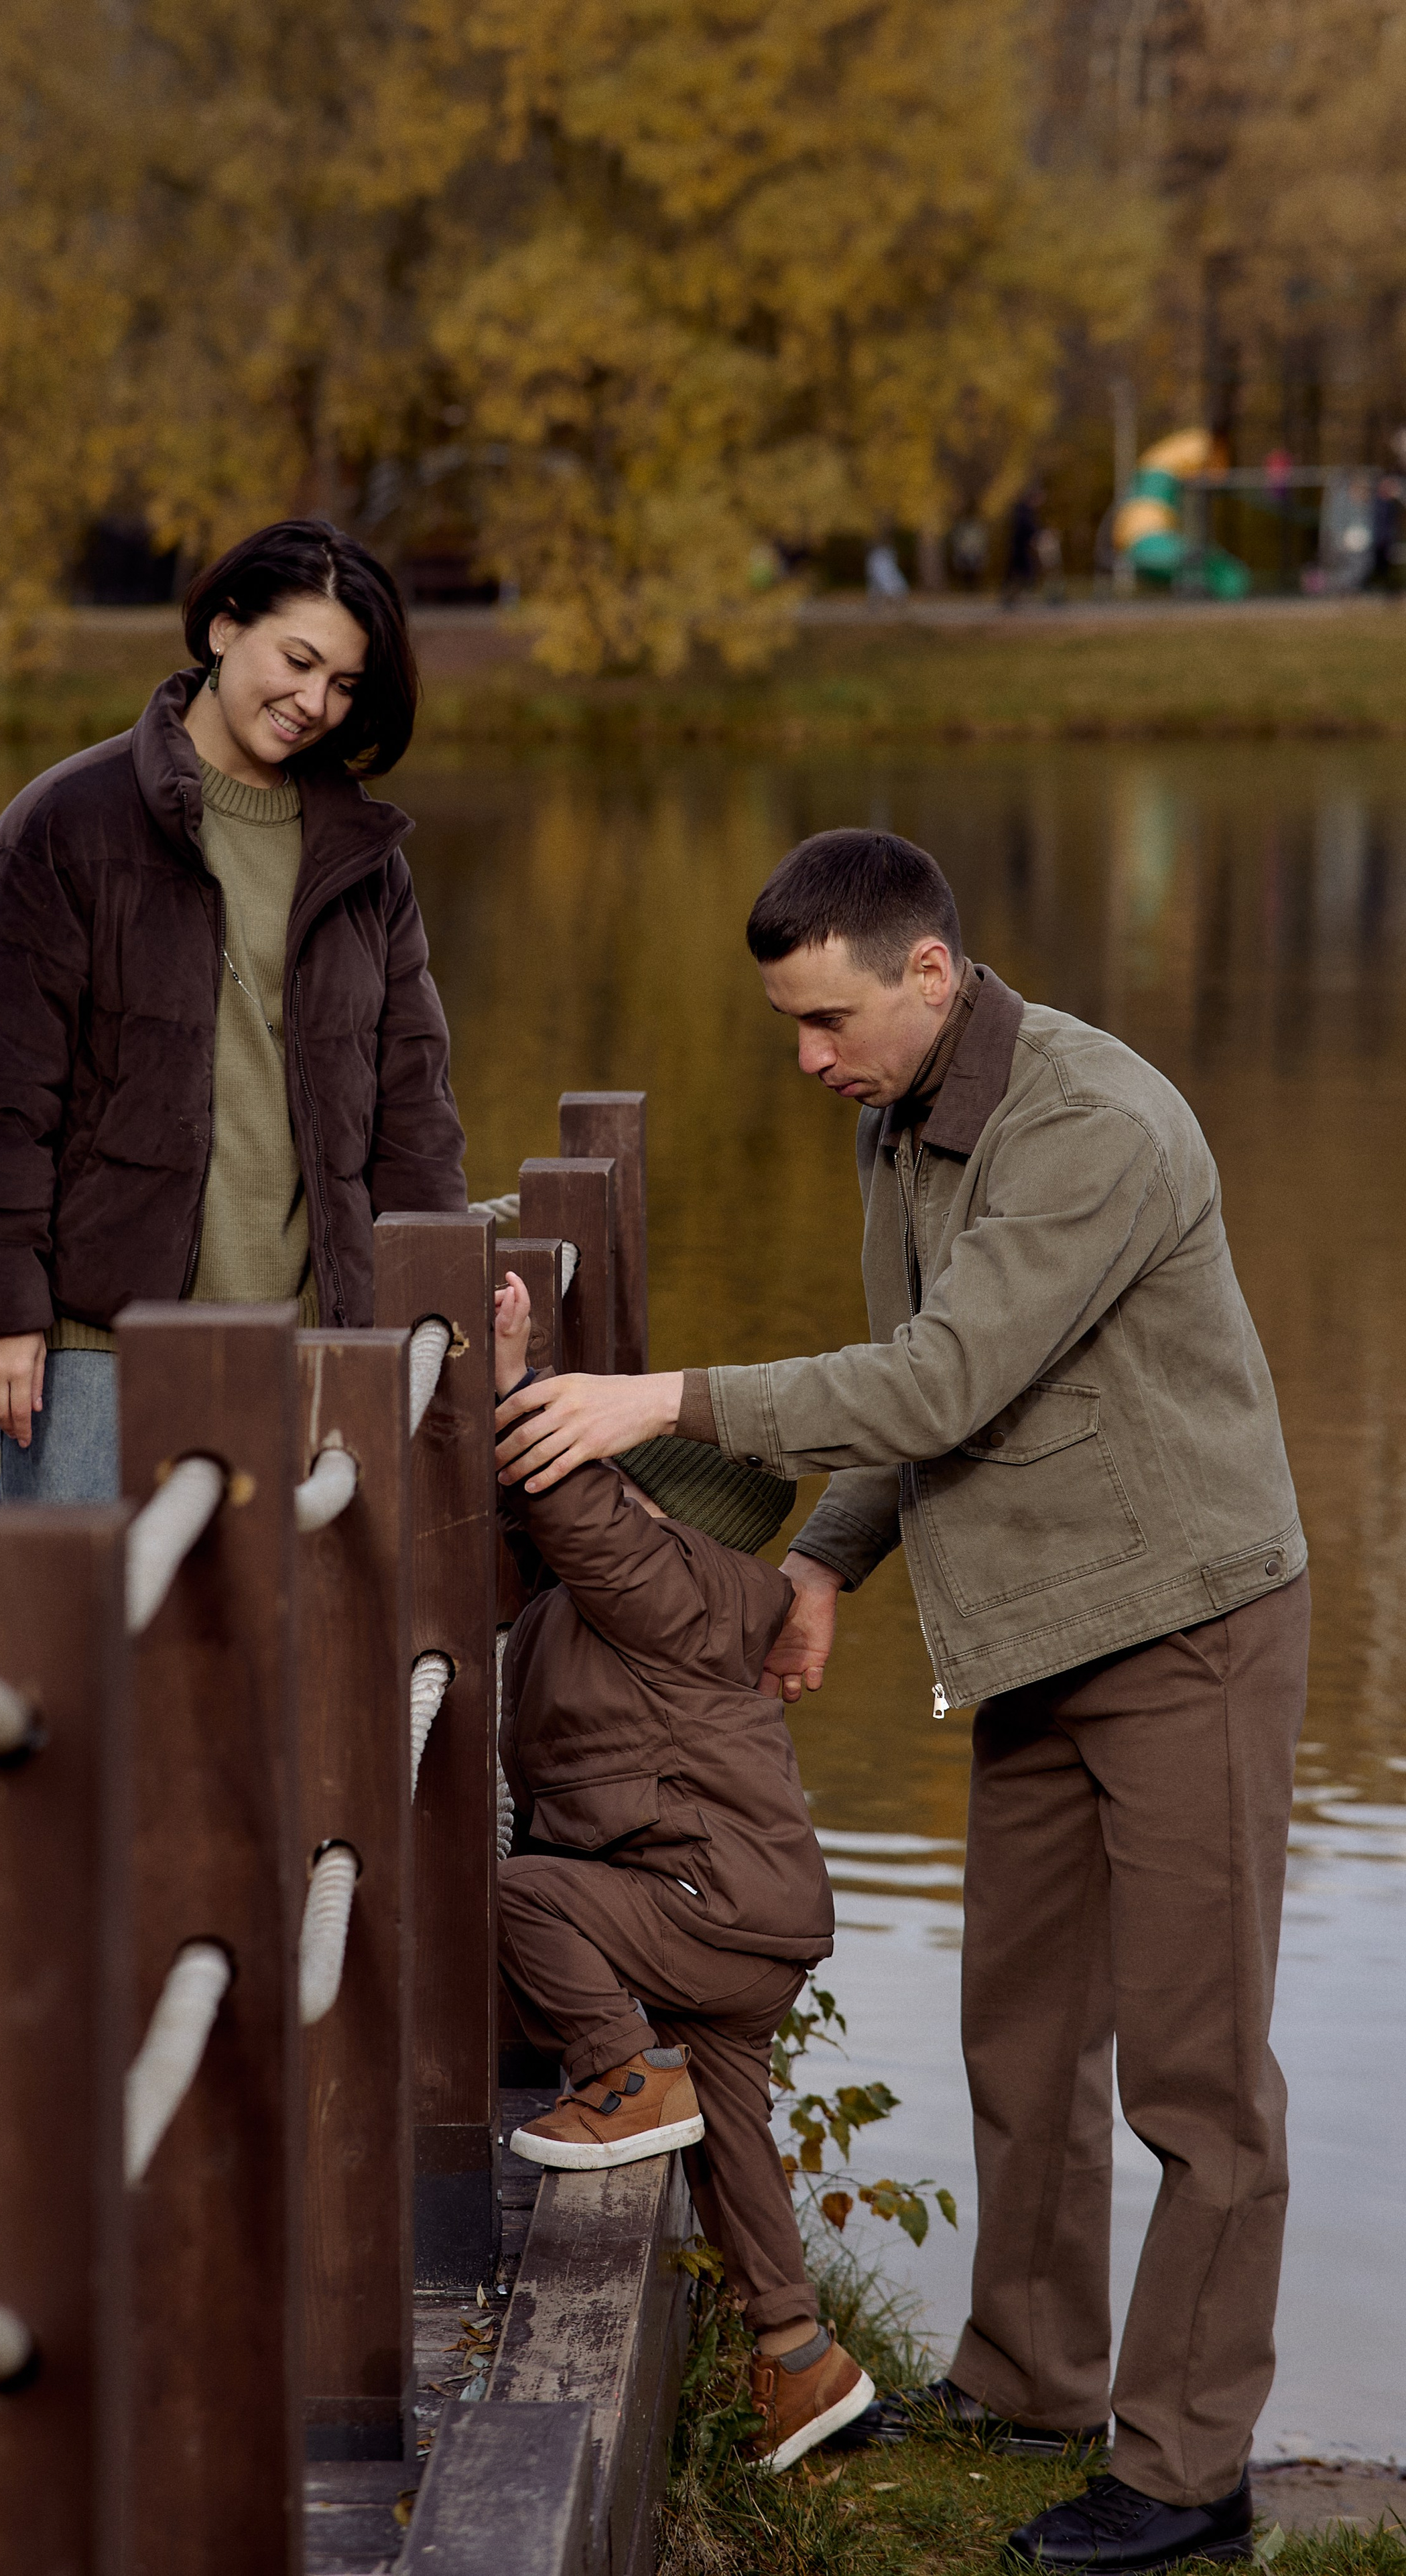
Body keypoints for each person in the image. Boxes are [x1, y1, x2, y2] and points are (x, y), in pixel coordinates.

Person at [493, 830, 1308, 2572]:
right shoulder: (901, 1117)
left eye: (826, 1018)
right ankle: (1029, 2383)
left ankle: (1188, 2473)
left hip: (1187, 1621)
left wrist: (665, 1399)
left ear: (928, 974)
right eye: (791, 1024)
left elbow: (943, 1368)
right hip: (1029, 1631)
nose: (805, 1056)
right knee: (1019, 2039)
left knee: (1200, 2079)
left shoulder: (1090, 1120)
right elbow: (936, 1395)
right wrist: (825, 1564)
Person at [0, 518, 466, 1502]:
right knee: (84, 1651)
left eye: (345, 684)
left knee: (278, 1656)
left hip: (311, 1345)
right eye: (298, 660)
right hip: (97, 1348)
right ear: (224, 628)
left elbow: (413, 1107)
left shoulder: (365, 857)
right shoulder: (67, 823)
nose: (314, 703)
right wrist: (0, 1309)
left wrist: (430, 1303)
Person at [491, 1270, 873, 2475]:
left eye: (629, 1500)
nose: (613, 1514)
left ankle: (621, 2077)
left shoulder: (681, 1591)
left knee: (522, 1896)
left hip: (709, 1907)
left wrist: (517, 1387)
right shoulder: (621, 1598)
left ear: (665, 1517)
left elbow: (583, 1521)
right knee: (733, 2139)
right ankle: (799, 2353)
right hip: (740, 1922)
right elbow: (539, 1524)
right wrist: (517, 1365)